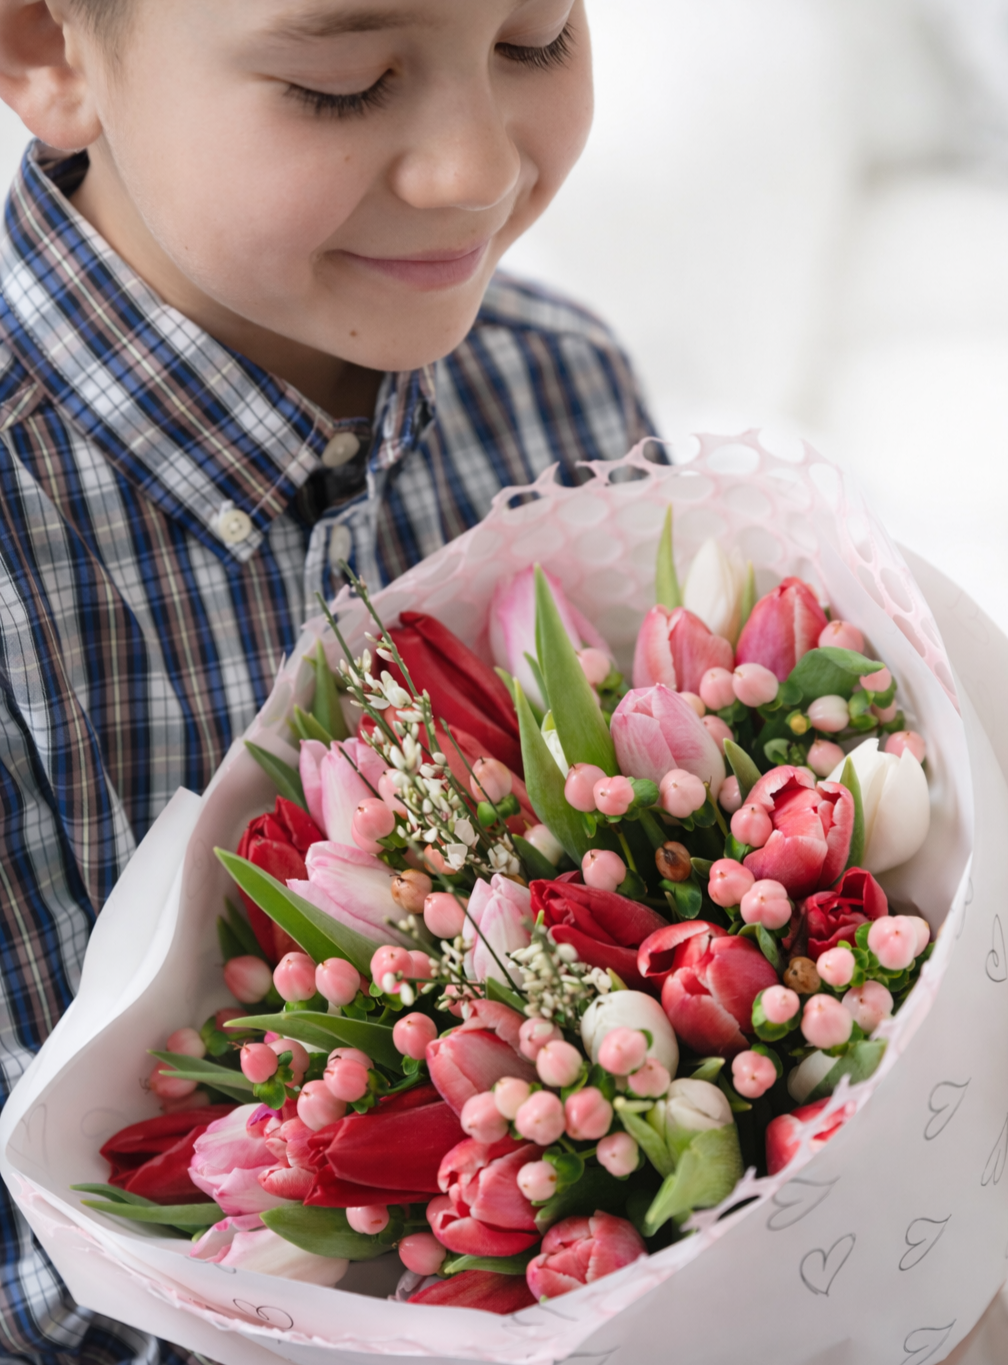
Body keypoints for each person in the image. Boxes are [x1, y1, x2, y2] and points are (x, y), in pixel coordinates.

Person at [0, 1, 655, 1361]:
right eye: (343, 85)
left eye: (534, 40)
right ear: (45, 51)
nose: (473, 168)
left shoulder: (559, 394)